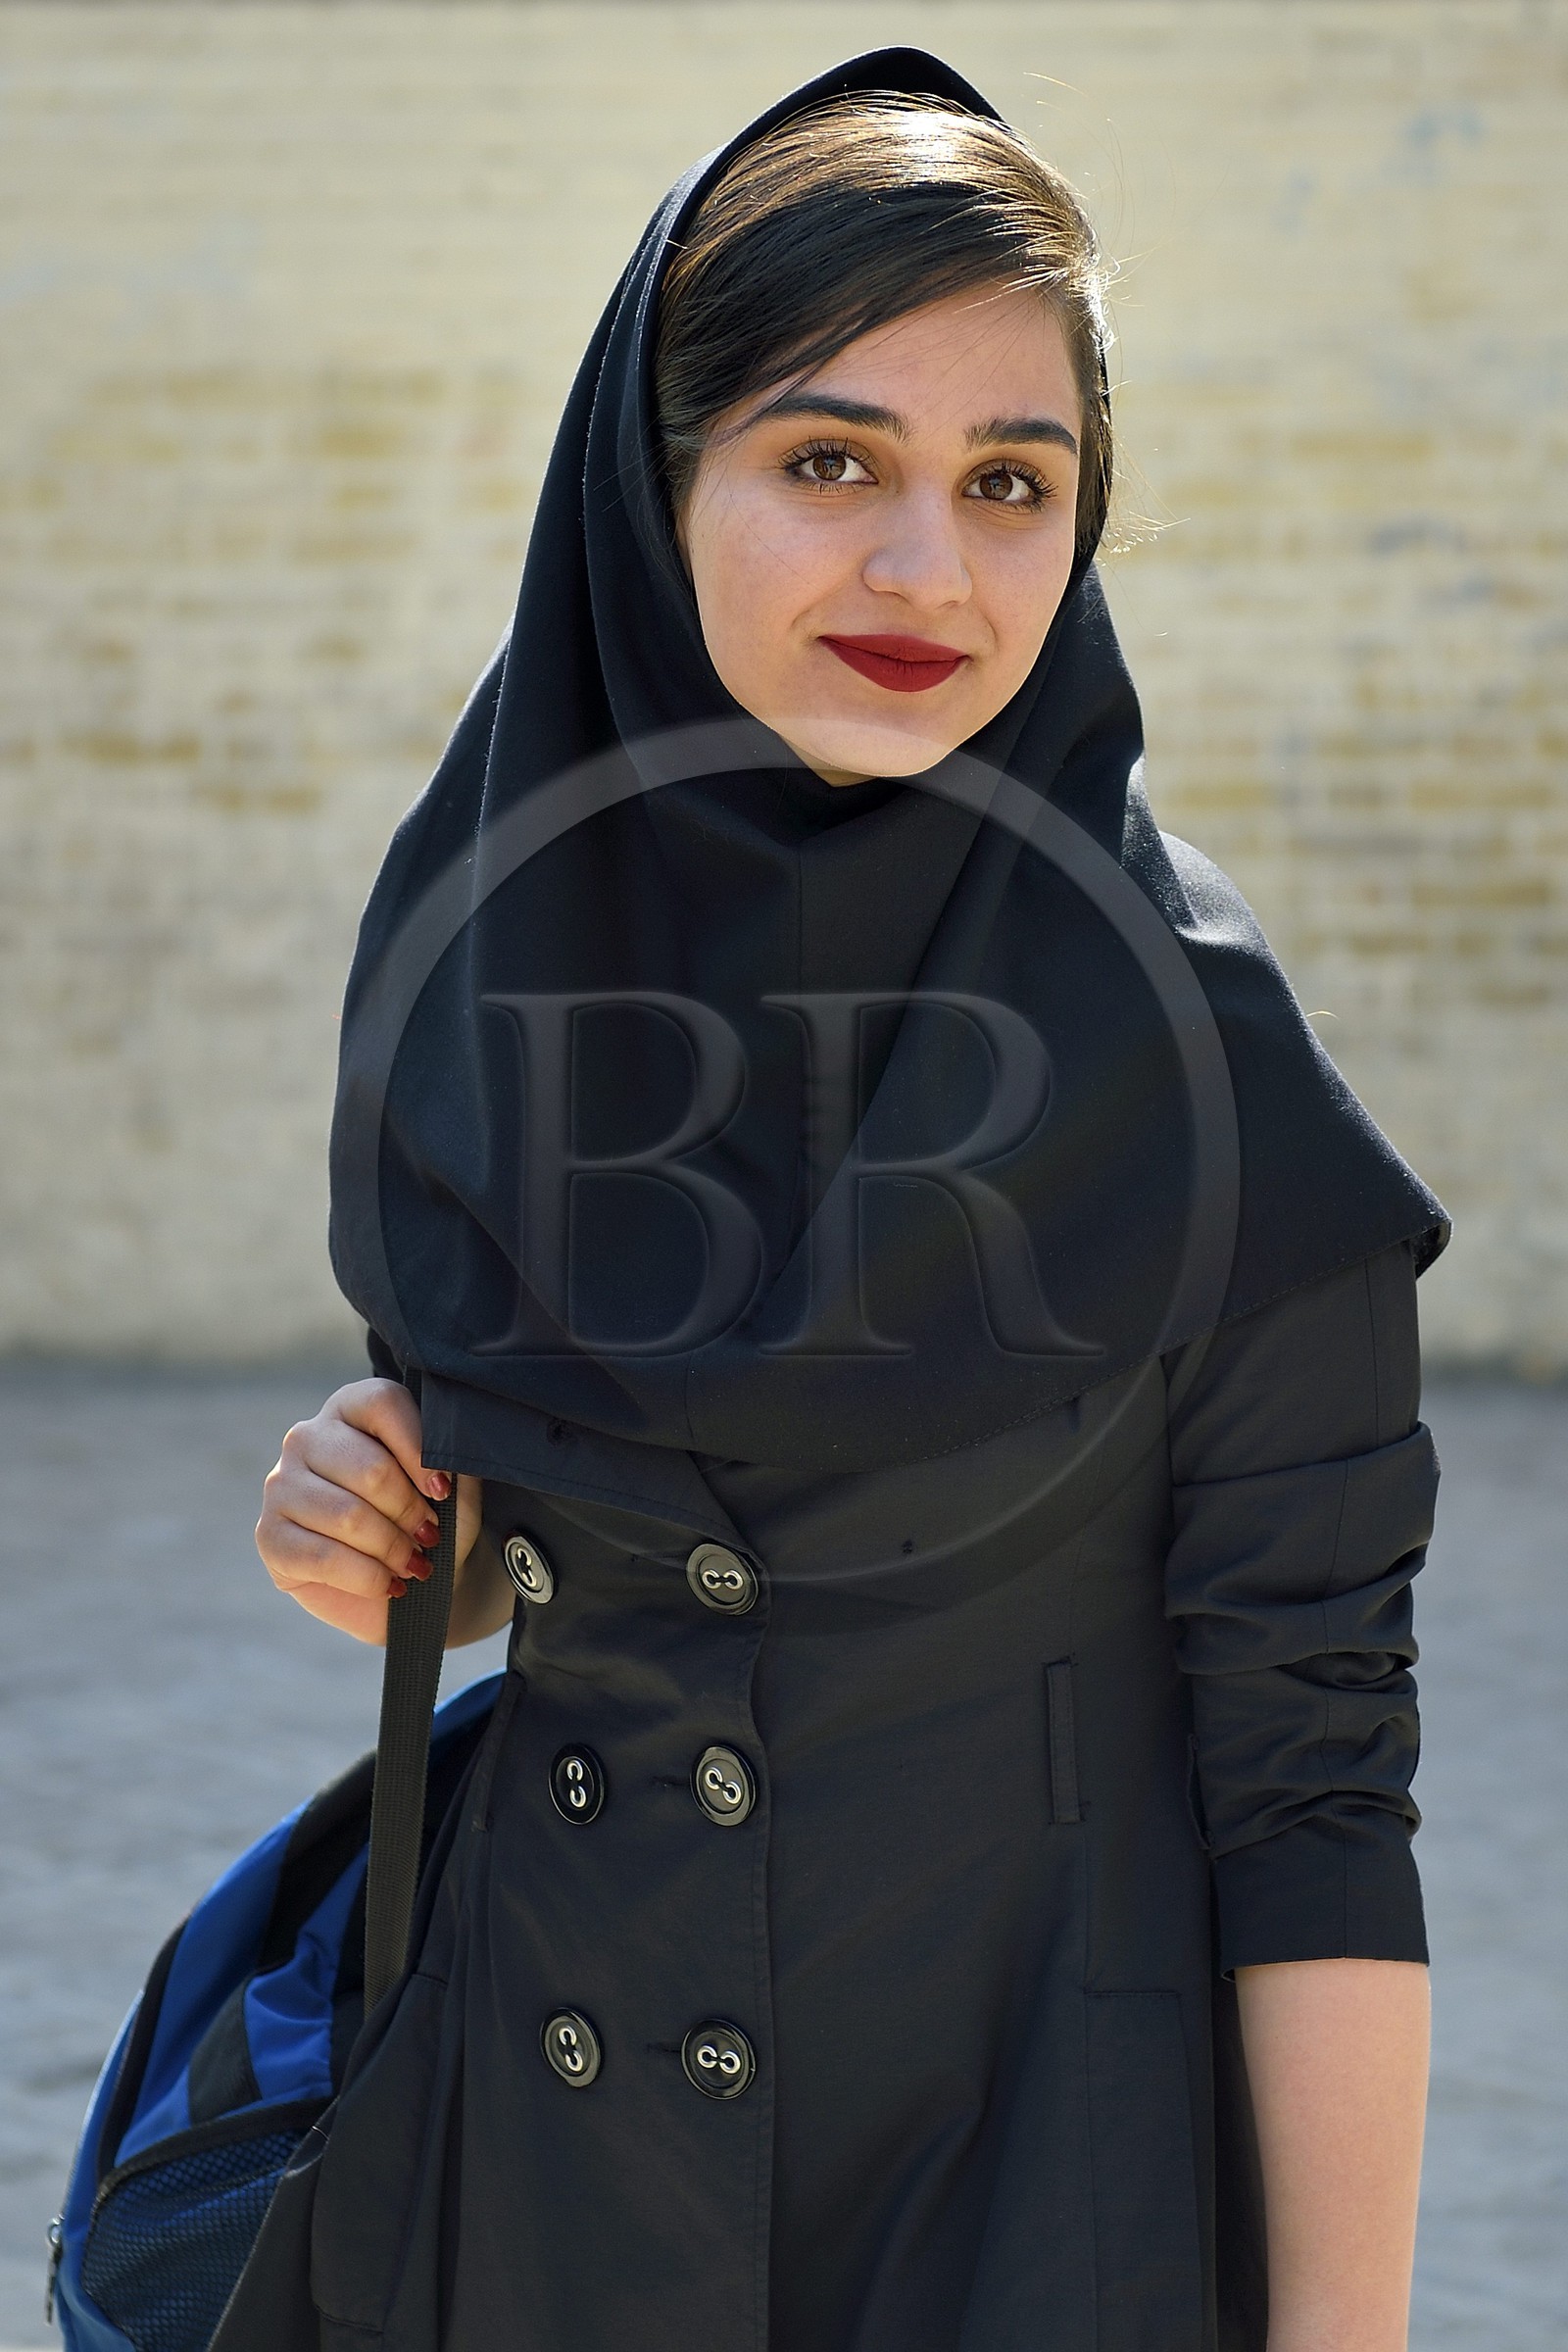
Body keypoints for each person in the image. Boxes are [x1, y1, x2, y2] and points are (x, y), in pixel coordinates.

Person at [254, 48, 1446, 2352]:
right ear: (648, 484)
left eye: (1014, 482)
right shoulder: (483, 955)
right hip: (531, 2170)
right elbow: (564, 1526)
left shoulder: (1193, 1056)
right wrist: (404, 1523)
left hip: (1020, 2206)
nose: (931, 567)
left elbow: (1316, 1789)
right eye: (829, 461)